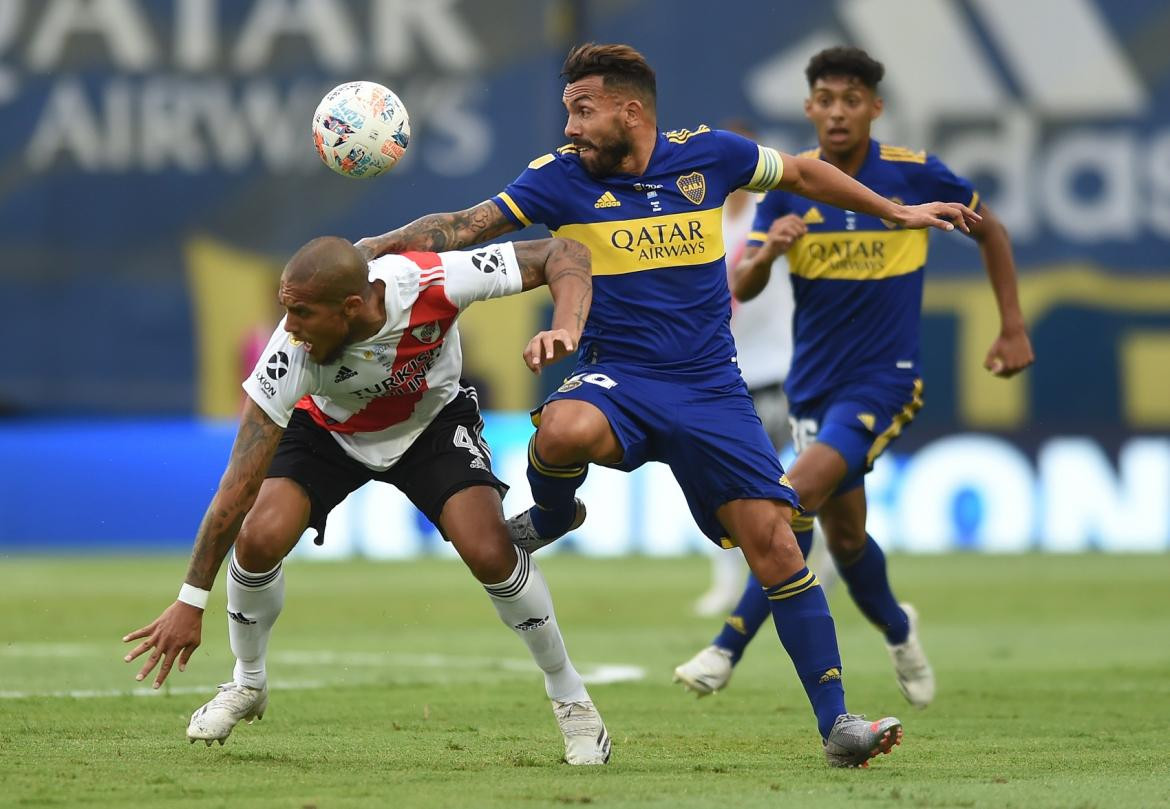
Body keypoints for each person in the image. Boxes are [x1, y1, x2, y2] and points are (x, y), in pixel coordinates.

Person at [356, 43, 980, 767]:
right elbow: (465, 225)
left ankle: (838, 724)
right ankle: (558, 513)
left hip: (713, 388)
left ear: (631, 111)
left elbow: (807, 172)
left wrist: (894, 210)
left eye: (583, 111)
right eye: (567, 112)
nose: (571, 128)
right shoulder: (558, 180)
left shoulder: (710, 156)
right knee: (562, 425)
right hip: (621, 377)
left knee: (777, 542)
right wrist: (376, 246)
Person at [122, 235, 614, 766]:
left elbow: (563, 255)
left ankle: (572, 701)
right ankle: (247, 681)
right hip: (327, 431)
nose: (288, 327)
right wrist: (190, 601)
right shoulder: (289, 357)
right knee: (259, 536)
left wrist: (565, 324)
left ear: (352, 307)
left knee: (491, 553)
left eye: (302, 312)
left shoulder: (433, 280)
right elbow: (235, 489)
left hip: (430, 423)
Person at [673, 46, 1035, 707]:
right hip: (812, 386)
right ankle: (900, 628)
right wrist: (771, 251)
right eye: (826, 100)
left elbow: (993, 231)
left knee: (790, 498)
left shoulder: (913, 174)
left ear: (875, 107)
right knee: (844, 536)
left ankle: (725, 647)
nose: (838, 112)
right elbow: (745, 285)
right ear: (809, 107)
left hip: (885, 381)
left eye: (852, 100)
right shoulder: (788, 186)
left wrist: (1011, 325)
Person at [691, 120, 838, 619]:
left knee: (802, 483)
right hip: (726, 376)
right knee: (722, 485)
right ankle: (726, 583)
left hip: (786, 368)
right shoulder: (699, 226)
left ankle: (829, 559)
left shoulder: (772, 216)